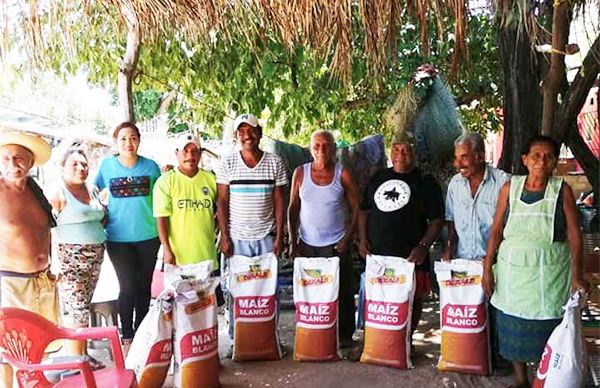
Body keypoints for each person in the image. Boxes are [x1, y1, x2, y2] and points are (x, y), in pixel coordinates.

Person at [483, 135, 589, 388]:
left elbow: (575, 234)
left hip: (549, 274)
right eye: (536, 156)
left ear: (554, 162)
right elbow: (496, 231)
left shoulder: (560, 189)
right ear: (525, 160)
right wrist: (487, 268)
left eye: (548, 156)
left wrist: (577, 274)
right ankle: (520, 380)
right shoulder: (510, 188)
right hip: (513, 274)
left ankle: (546, 379)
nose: (541, 161)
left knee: (550, 327)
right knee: (512, 325)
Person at [358, 133, 444, 345]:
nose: (400, 154)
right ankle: (373, 344)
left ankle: (405, 343)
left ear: (415, 153)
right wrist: (362, 239)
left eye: (406, 150)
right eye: (396, 149)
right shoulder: (378, 177)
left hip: (411, 255)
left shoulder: (425, 182)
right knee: (376, 300)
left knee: (413, 299)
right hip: (378, 253)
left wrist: (424, 246)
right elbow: (363, 211)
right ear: (390, 152)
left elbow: (437, 220)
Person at [216, 113, 287, 355]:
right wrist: (224, 237)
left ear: (260, 132)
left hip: (266, 238)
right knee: (238, 291)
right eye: (241, 131)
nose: (247, 135)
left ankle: (269, 338)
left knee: (269, 291)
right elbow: (222, 202)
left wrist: (280, 236)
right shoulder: (227, 163)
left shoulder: (274, 163)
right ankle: (238, 342)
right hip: (237, 239)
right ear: (236, 136)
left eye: (251, 130)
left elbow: (280, 201)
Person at [287, 129, 359, 351]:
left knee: (343, 291)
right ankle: (314, 331)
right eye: (317, 146)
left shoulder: (342, 173)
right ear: (310, 149)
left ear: (334, 149)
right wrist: (292, 240)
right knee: (311, 291)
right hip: (307, 244)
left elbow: (357, 207)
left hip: (337, 244)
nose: (321, 150)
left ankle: (345, 336)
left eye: (327, 145)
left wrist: (348, 238)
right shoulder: (300, 173)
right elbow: (293, 208)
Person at [95, 122, 161, 353]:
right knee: (128, 286)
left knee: (145, 286)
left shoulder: (151, 167)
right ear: (116, 142)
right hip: (117, 238)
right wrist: (98, 213)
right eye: (123, 139)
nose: (128, 143)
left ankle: (142, 330)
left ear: (139, 141)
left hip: (149, 236)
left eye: (133, 138)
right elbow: (92, 193)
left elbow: (162, 200)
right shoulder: (107, 167)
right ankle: (127, 335)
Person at [0, 132, 58, 386]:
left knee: (38, 344)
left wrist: (51, 267)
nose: (12, 165)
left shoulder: (35, 190)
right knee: (8, 349)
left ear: (31, 162)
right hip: (10, 283)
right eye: (5, 159)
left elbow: (45, 231)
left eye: (19, 159)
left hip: (42, 280)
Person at [46, 145, 107, 358]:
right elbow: (47, 229)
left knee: (83, 307)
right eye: (74, 164)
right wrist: (54, 262)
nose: (80, 168)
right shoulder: (56, 191)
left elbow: (102, 215)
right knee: (77, 310)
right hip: (70, 260)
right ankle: (76, 362)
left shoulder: (91, 188)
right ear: (62, 167)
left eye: (84, 164)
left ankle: (82, 356)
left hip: (94, 258)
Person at [153, 133, 217, 268]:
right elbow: (161, 219)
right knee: (180, 289)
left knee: (208, 290)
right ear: (177, 153)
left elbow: (221, 208)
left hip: (207, 255)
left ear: (200, 154)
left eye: (194, 151)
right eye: (185, 151)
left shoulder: (211, 179)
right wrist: (167, 249)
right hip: (177, 256)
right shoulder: (165, 182)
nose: (190, 156)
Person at [443, 133, 510, 261]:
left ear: (480, 157)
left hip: (496, 262)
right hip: (462, 260)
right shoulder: (455, 184)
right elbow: (451, 220)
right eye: (456, 158)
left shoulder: (503, 183)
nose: (458, 164)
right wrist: (449, 247)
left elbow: (510, 224)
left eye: (464, 157)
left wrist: (493, 257)